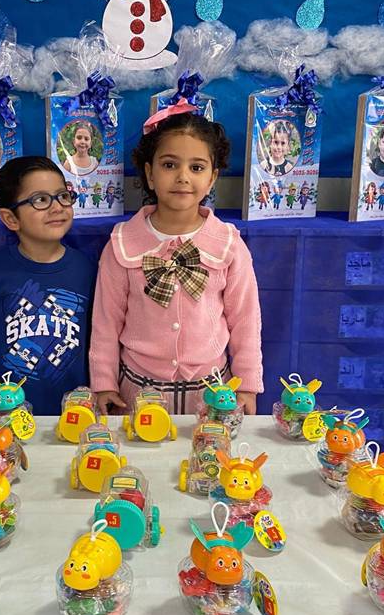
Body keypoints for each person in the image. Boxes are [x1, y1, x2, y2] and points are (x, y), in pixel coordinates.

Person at [90, 103, 263, 417]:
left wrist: (247, 384)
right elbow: (105, 323)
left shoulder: (228, 244)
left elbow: (246, 322)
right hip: (137, 392)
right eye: (169, 165)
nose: (183, 177)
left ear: (212, 178)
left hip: (213, 394)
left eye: (196, 168)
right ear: (149, 173)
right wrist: (103, 382)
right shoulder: (122, 244)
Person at [0, 156, 95, 415]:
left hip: (74, 415)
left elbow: (102, 344)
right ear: (10, 219)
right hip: (6, 415)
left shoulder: (88, 269)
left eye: (63, 196)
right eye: (40, 200)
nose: (57, 207)